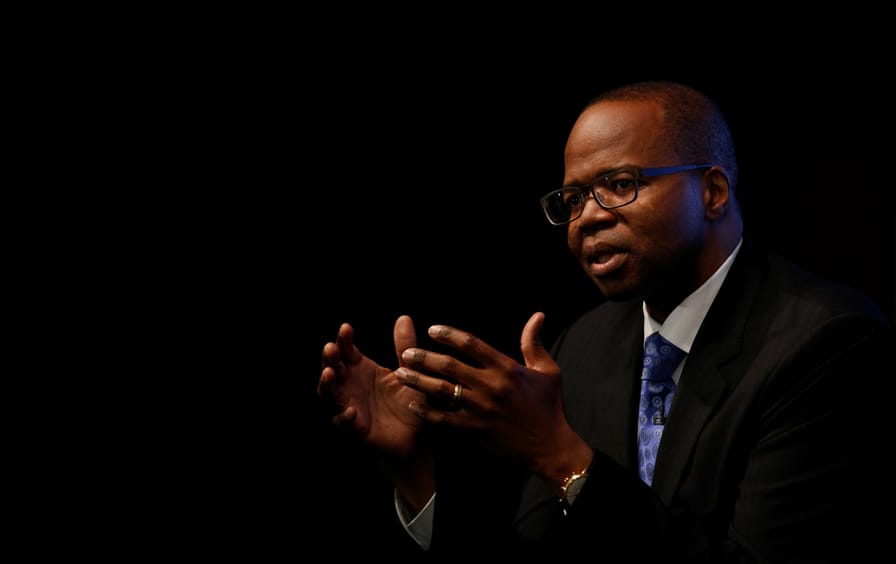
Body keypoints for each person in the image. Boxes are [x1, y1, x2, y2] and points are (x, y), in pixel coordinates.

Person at [316, 80, 895, 562]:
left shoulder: (826, 345)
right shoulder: (585, 345)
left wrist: (561, 455)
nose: (586, 218)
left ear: (713, 192)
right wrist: (414, 471)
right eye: (573, 199)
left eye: (619, 185)